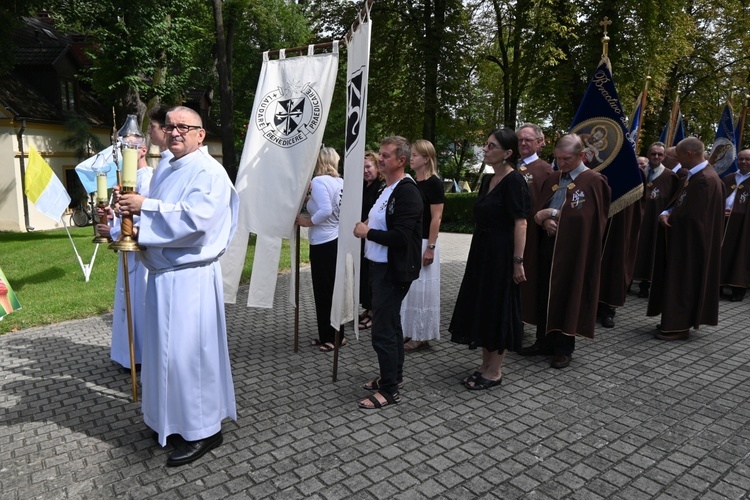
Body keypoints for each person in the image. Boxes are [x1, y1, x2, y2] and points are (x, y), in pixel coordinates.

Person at [117, 106, 238, 466]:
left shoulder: (209, 172)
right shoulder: (168, 167)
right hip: (163, 278)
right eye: (170, 126)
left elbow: (196, 220)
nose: (175, 132)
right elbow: (159, 218)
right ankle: (165, 421)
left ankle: (204, 431)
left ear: (201, 134)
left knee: (190, 358)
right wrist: (128, 229)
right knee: (162, 355)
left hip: (191, 281)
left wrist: (145, 207)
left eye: (184, 127)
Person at [519, 134, 610, 368]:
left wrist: (554, 215)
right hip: (547, 244)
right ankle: (543, 341)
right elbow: (540, 208)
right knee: (544, 292)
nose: (562, 164)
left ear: (581, 155)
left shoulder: (593, 180)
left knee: (567, 293)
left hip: (573, 249)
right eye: (558, 159)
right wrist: (542, 220)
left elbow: (591, 218)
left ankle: (563, 347)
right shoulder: (554, 177)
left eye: (567, 159)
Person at [449, 128, 530, 389]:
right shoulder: (487, 180)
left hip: (502, 254)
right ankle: (485, 365)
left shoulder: (515, 181)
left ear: (507, 153)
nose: (485, 149)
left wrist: (517, 261)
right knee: (483, 306)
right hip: (482, 252)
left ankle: (495, 371)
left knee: (498, 308)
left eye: (491, 146)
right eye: (486, 144)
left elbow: (521, 223)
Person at [353, 136, 422, 409]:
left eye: (385, 155)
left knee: (382, 330)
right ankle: (392, 376)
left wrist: (367, 232)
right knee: (392, 325)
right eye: (379, 154)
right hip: (378, 267)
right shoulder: (387, 188)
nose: (380, 159)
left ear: (401, 160)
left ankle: (389, 391)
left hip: (393, 271)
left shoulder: (407, 191)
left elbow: (402, 236)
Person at [647, 137, 724, 340]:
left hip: (690, 244)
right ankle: (673, 320)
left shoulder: (705, 180)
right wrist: (669, 211)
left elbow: (694, 217)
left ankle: (677, 327)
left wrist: (669, 216)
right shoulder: (695, 176)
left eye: (678, 156)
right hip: (684, 240)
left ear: (689, 154)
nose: (676, 160)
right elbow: (682, 204)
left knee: (684, 281)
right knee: (678, 280)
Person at [97, 139, 153, 370]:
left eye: (130, 147)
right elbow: (127, 216)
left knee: (139, 301)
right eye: (122, 148)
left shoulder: (149, 179)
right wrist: (112, 217)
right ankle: (128, 353)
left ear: (143, 149)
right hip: (127, 252)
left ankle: (141, 355)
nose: (124, 152)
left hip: (141, 253)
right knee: (126, 300)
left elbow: (146, 218)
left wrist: (113, 230)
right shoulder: (126, 180)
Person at [296, 147, 346, 351]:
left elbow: (326, 209)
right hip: (335, 240)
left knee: (323, 291)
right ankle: (334, 333)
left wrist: (308, 222)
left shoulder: (319, 181)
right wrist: (310, 200)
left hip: (323, 242)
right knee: (332, 290)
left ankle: (330, 337)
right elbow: (330, 207)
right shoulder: (339, 182)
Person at [402, 139, 444, 352]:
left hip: (425, 242)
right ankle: (411, 328)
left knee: (423, 288)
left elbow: (436, 217)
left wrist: (431, 247)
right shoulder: (411, 181)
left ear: (426, 158)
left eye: (416, 154)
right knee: (411, 289)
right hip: (411, 241)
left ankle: (422, 334)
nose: (411, 158)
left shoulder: (433, 183)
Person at [516, 123, 553, 324]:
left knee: (524, 279)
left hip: (530, 234)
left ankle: (521, 321)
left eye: (528, 140)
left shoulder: (545, 170)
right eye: (520, 139)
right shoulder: (512, 166)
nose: (523, 143)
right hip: (508, 233)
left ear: (539, 142)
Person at [632, 142, 679, 299]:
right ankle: (627, 281)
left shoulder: (670, 176)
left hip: (655, 222)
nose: (656, 157)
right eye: (653, 154)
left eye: (660, 154)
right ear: (648, 154)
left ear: (664, 157)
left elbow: (673, 201)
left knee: (650, 252)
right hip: (636, 220)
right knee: (632, 250)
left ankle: (645, 285)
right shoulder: (637, 173)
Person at [358, 151, 384, 330]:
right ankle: (368, 308)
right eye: (363, 168)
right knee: (364, 275)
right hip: (362, 236)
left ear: (376, 167)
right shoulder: (363, 186)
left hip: (373, 236)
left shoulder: (380, 187)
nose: (366, 171)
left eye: (368, 166)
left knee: (372, 276)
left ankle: (375, 313)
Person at [720, 148, 750, 301]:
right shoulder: (729, 178)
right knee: (720, 253)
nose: (744, 162)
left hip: (743, 227)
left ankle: (737, 290)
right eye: (741, 159)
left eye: (747, 159)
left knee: (739, 255)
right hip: (723, 223)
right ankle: (717, 285)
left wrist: (735, 213)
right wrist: (719, 211)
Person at [146, 105, 173, 192]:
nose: (149, 131)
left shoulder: (173, 161)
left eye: (152, 127)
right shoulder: (165, 158)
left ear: (165, 129)